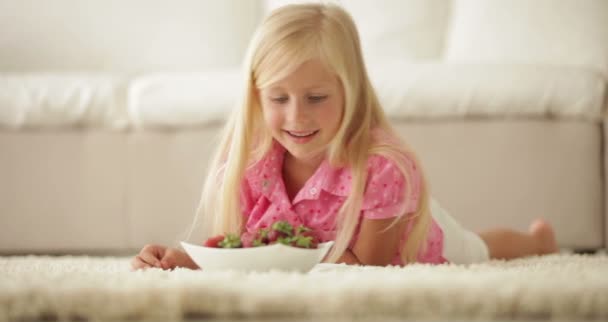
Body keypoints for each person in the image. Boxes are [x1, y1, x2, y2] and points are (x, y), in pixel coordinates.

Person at [131, 3, 558, 271]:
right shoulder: (254, 164)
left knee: (479, 249)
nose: (297, 116)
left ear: (349, 90)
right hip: (331, 251)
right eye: (279, 98)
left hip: (413, 240)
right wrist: (180, 261)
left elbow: (367, 267)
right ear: (256, 98)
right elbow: (244, 254)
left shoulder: (382, 167)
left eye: (316, 97)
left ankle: (538, 240)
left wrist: (276, 256)